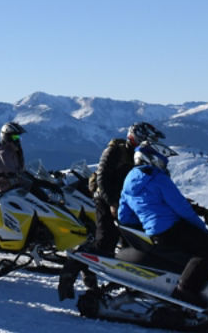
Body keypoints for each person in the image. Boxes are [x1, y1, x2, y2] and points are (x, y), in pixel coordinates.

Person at [59, 121, 165, 300]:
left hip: (128, 203)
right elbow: (102, 179)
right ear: (136, 137)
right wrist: (112, 203)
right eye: (146, 140)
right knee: (105, 241)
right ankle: (71, 272)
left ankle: (128, 283)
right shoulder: (116, 151)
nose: (149, 144)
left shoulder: (142, 154)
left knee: (132, 242)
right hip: (106, 199)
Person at [118, 142, 208, 307]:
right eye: (162, 161)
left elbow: (124, 214)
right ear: (151, 159)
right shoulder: (158, 178)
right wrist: (201, 229)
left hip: (155, 234)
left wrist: (142, 227)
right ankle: (185, 289)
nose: (164, 165)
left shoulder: (128, 180)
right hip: (172, 228)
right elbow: (182, 207)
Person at [0, 122, 27, 193]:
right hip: (5, 190)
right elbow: (14, 174)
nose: (18, 139)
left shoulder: (12, 152)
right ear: (7, 137)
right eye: (15, 137)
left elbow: (20, 171)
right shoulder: (3, 154)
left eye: (18, 137)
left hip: (12, 188)